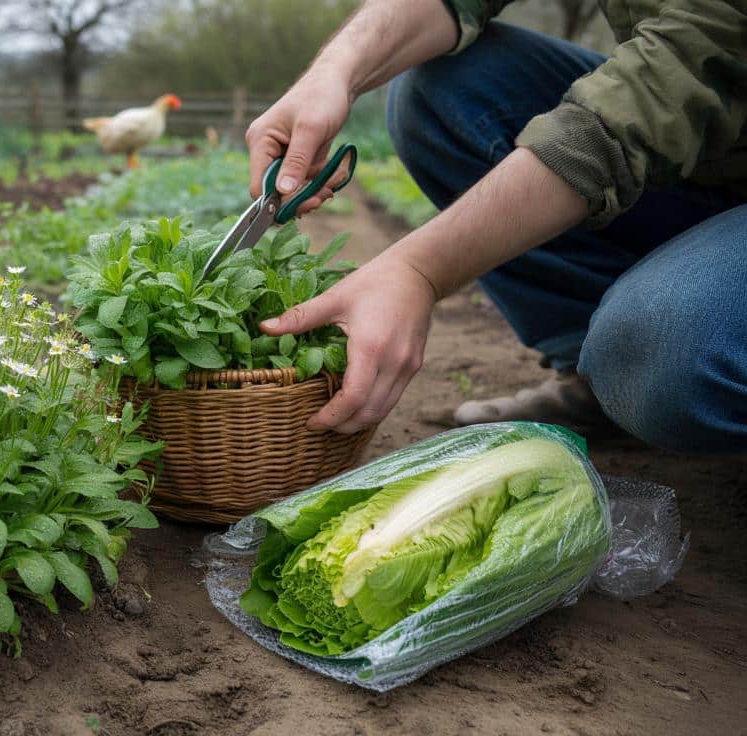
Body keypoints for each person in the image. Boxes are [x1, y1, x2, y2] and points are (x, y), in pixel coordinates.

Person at [247, 0, 745, 453]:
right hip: (708, 157)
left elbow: (685, 68)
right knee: (443, 87)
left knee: (666, 357)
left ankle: (638, 367)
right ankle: (595, 382)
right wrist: (336, 72)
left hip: (690, 95)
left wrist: (418, 270)